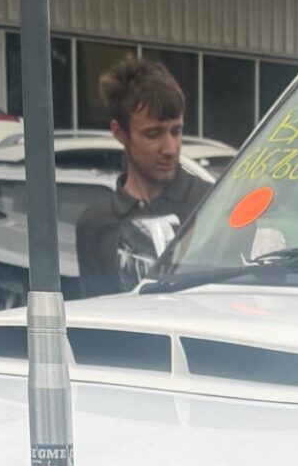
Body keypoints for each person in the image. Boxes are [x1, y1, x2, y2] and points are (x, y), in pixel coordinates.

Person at [71, 55, 208, 297]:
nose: (170, 148)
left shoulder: (211, 205)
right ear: (119, 132)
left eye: (176, 131)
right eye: (153, 134)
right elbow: (97, 318)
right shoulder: (94, 225)